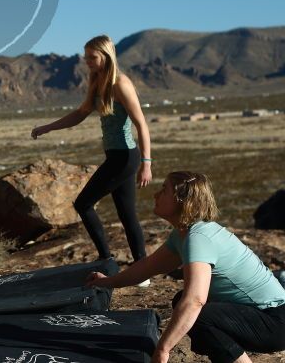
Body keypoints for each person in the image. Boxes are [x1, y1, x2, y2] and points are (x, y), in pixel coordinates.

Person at [86, 171, 285, 363]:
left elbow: (196, 301)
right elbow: (147, 268)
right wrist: (107, 282)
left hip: (276, 321)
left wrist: (163, 350)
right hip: (265, 316)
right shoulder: (184, 233)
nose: (156, 194)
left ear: (182, 200)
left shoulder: (198, 238)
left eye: (164, 190)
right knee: (181, 301)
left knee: (198, 313)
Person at [31, 35, 152, 266]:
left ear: (106, 56)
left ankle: (106, 259)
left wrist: (146, 163)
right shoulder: (97, 80)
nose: (87, 61)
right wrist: (48, 127)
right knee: (127, 215)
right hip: (115, 156)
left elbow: (141, 124)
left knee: (83, 203)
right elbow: (80, 114)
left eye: (92, 57)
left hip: (125, 157)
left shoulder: (120, 84)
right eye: (85, 57)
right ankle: (141, 267)